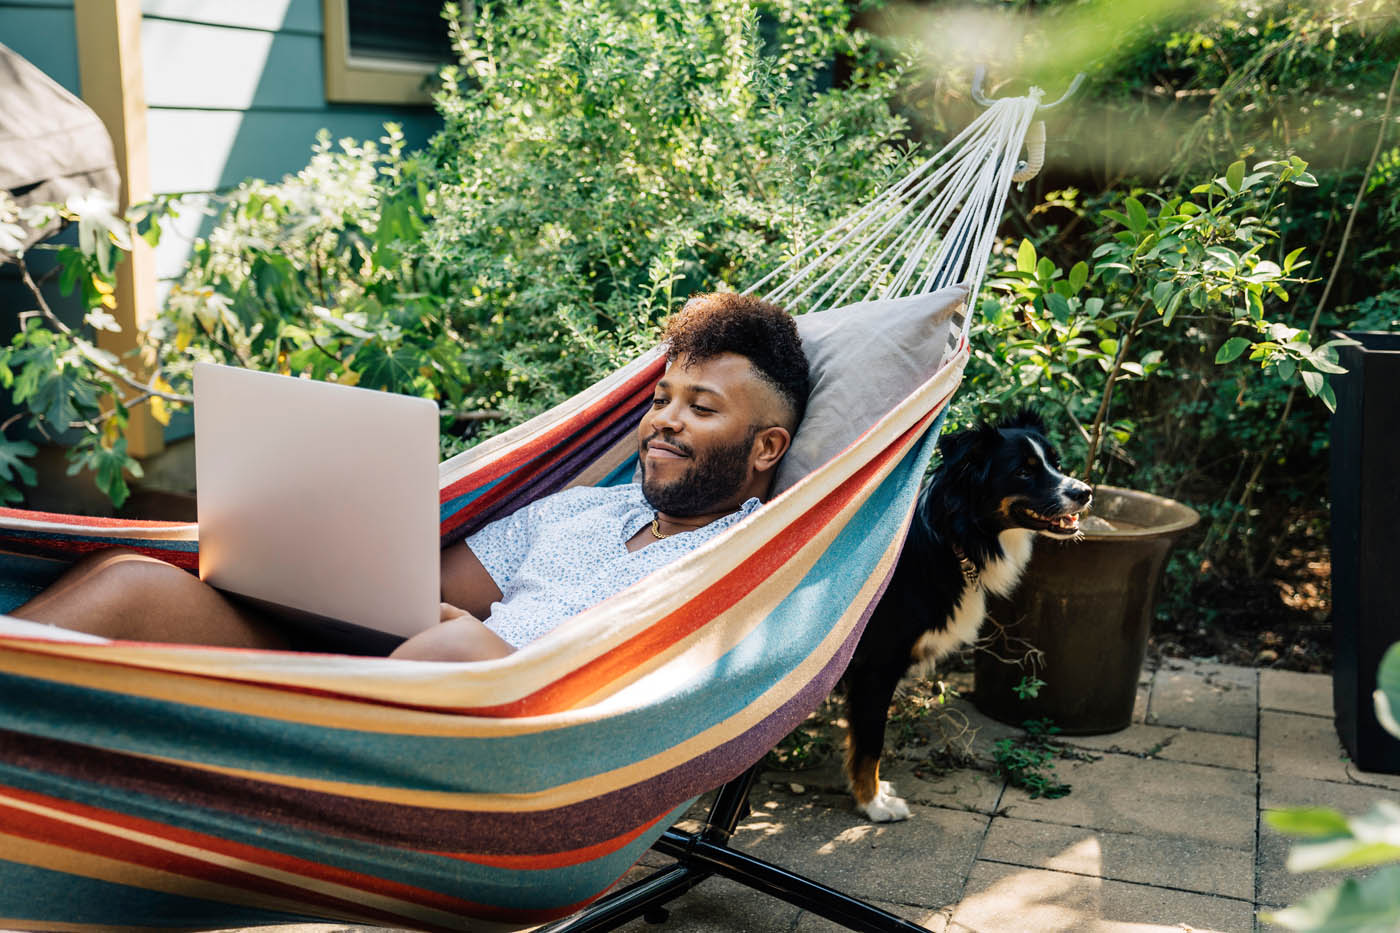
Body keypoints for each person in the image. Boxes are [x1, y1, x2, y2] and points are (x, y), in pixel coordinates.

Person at [12, 293, 810, 661]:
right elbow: (409, 598)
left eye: (701, 406)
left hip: (510, 742)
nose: (664, 418)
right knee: (131, 582)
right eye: (662, 397)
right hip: (384, 690)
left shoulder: (752, 552)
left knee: (458, 652)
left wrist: (475, 648)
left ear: (767, 447)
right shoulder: (574, 513)